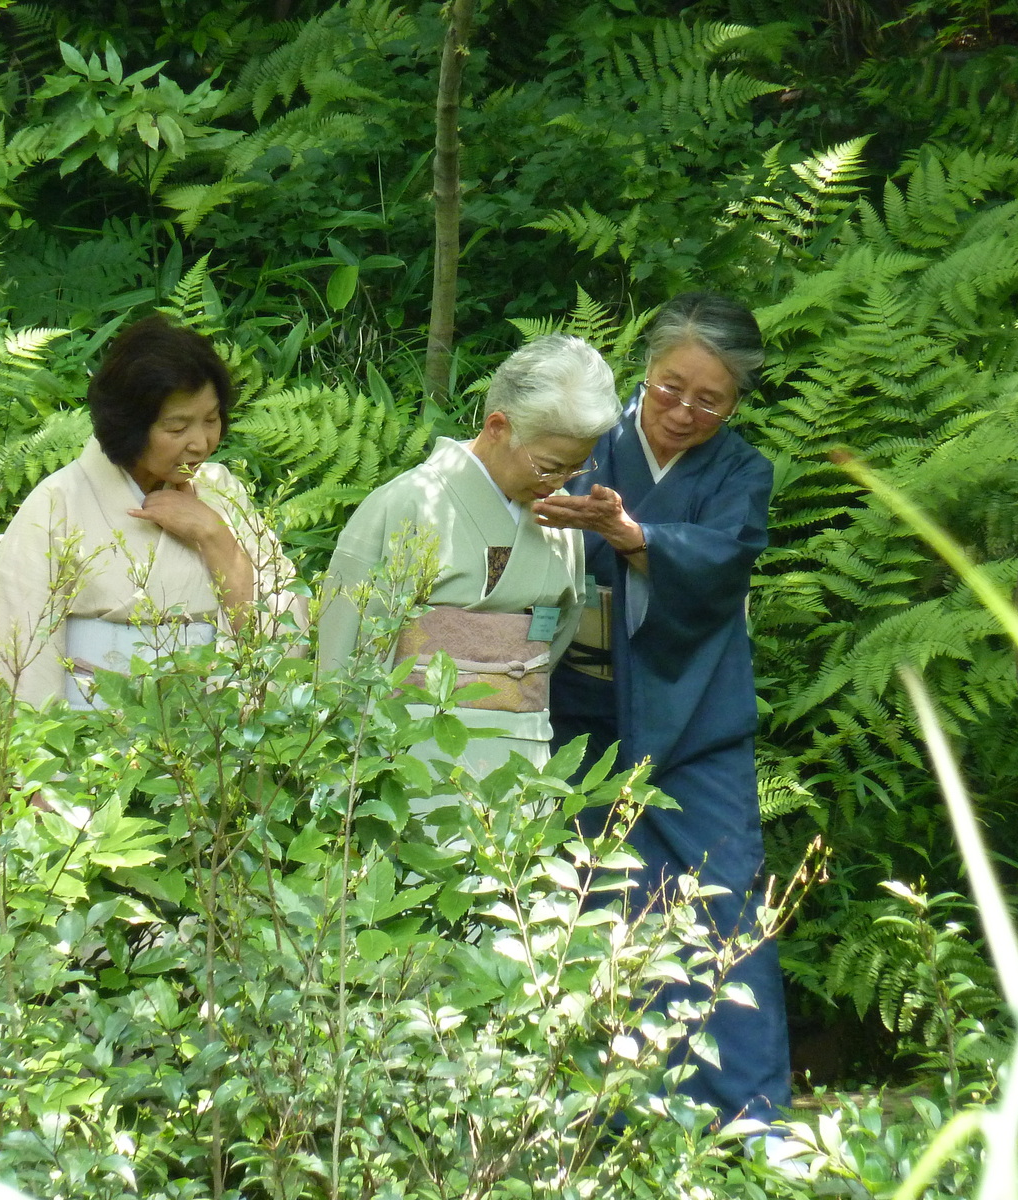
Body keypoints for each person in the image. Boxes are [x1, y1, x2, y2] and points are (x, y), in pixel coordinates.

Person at [534, 293, 791, 1125]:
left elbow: (725, 559)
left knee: (723, 905)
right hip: (581, 712)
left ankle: (750, 1122)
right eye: (670, 387)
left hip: (696, 721)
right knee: (598, 903)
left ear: (738, 402)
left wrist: (634, 536)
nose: (682, 412)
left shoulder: (742, 472)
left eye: (709, 400)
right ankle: (606, 1119)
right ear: (646, 371)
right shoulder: (590, 443)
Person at [317, 334, 622, 777]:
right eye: (549, 465)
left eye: (575, 468)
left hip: (523, 740)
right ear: (498, 427)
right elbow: (347, 646)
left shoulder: (558, 520)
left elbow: (555, 636)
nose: (560, 481)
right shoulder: (407, 503)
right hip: (412, 747)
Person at [0, 316, 302, 707]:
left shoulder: (222, 493)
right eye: (177, 428)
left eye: (211, 420)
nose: (200, 443)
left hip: (209, 733)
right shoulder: (58, 503)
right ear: (130, 425)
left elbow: (283, 622)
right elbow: (15, 652)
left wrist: (215, 537)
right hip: (88, 741)